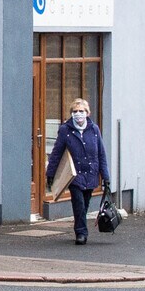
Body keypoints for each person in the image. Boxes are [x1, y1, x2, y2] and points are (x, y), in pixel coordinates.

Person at [45, 98, 110, 245]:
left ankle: (80, 226)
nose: (78, 114)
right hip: (75, 174)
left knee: (85, 204)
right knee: (78, 203)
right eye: (75, 111)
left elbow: (101, 153)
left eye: (81, 111)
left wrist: (105, 176)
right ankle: (81, 233)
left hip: (91, 172)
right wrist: (50, 173)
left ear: (88, 113)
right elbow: (56, 153)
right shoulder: (65, 130)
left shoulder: (94, 129)